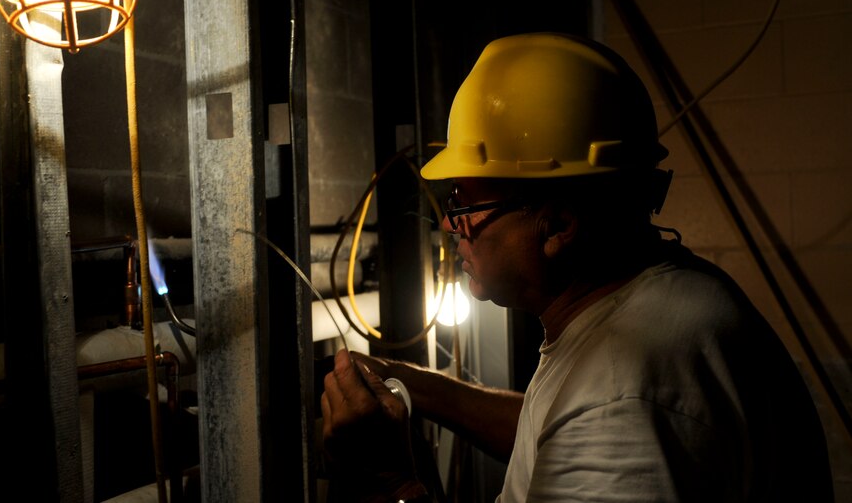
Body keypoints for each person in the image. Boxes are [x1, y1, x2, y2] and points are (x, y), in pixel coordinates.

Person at [320, 33, 833, 502]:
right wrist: (417, 384)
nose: (452, 226)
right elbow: (554, 429)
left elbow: (598, 418)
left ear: (560, 225)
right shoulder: (658, 303)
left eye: (466, 204)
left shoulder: (623, 401)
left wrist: (394, 481)